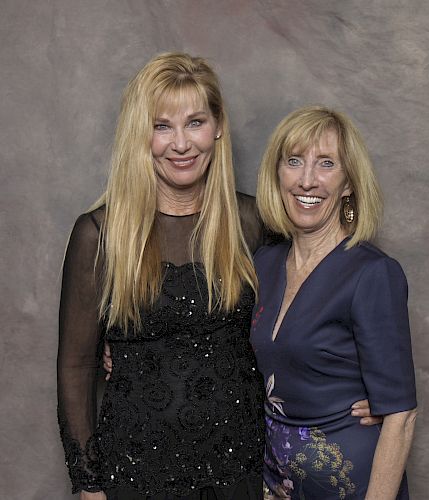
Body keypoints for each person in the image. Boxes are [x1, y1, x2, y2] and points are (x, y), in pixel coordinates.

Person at [58, 52, 380, 500]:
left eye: (195, 122)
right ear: (140, 134)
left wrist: (368, 390)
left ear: (218, 126)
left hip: (241, 474)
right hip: (132, 476)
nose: (181, 144)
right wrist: (88, 484)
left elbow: (310, 313)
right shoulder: (100, 234)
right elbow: (75, 365)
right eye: (162, 126)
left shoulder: (255, 223)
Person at [252, 106, 417, 499]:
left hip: (354, 485)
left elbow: (401, 415)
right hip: (278, 484)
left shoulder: (372, 272)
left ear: (348, 183)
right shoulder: (264, 263)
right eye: (294, 161)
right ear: (278, 174)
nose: (307, 180)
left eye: (326, 164)